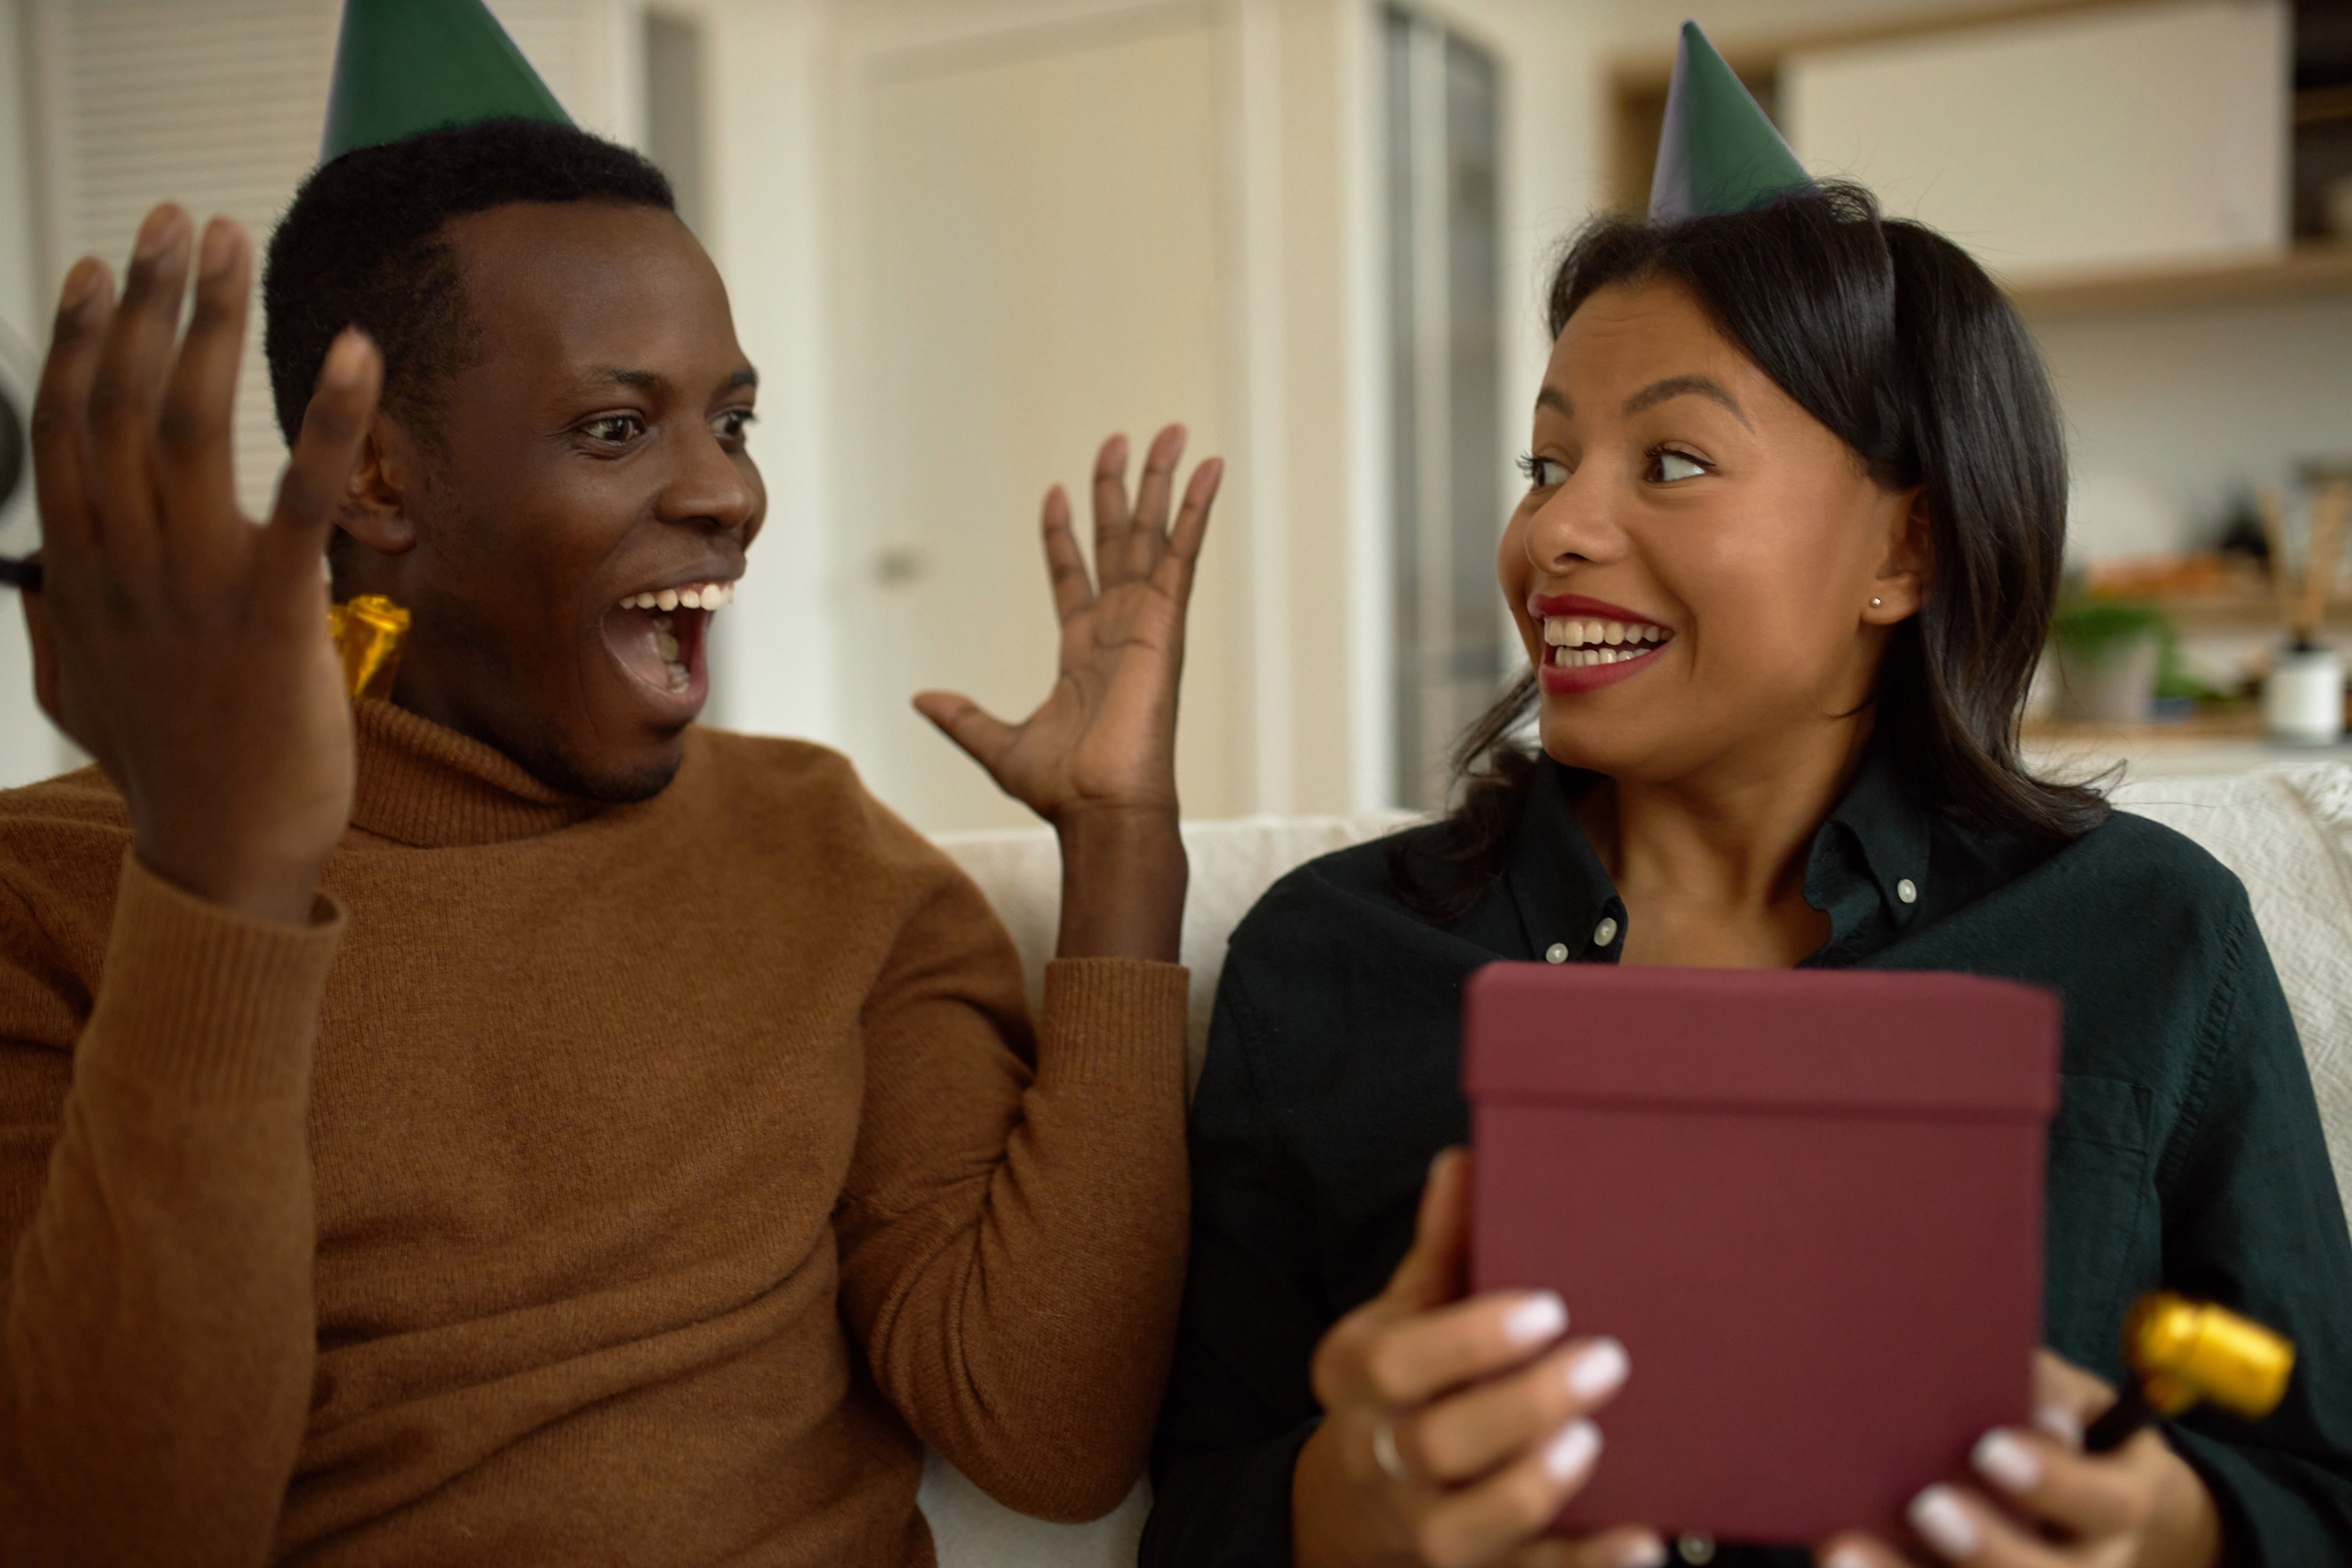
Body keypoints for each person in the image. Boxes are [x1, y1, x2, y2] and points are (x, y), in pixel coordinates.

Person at [0, 1, 1219, 1562]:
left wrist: (1122, 850)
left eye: (733, 418)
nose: (730, 492)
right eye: (617, 425)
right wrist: (220, 884)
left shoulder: (825, 852)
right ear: (375, 472)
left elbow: (1051, 1436)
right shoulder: (57, 900)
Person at [1143, 25, 2352, 1568]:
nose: (1553, 534)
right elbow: (1193, 1521)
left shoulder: (2151, 935)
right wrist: (1343, 1504)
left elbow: (2321, 1490)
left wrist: (2165, 1527)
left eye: (1672, 464)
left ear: (1905, 552)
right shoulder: (1330, 958)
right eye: (1544, 465)